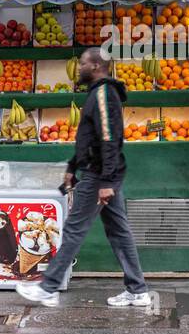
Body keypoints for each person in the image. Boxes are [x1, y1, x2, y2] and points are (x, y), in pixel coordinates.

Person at [17, 47, 150, 309]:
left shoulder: (103, 94)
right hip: (99, 172)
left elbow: (110, 138)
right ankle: (138, 290)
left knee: (75, 229)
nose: (78, 68)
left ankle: (48, 287)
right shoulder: (98, 94)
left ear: (96, 67)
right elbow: (90, 137)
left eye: (82, 64)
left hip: (99, 174)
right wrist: (72, 165)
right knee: (119, 232)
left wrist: (107, 181)